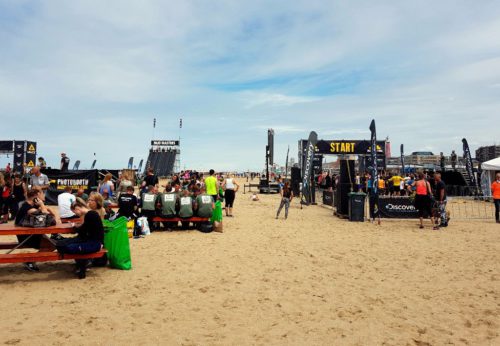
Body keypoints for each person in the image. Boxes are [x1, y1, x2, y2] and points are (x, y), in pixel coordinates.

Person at [57, 198, 104, 278]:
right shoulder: (90, 214)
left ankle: (82, 268)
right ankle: (81, 267)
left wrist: (76, 227)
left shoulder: (90, 215)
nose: (75, 214)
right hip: (92, 242)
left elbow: (83, 231)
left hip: (94, 244)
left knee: (65, 246)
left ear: (77, 208)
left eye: (74, 211)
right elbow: (85, 231)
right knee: (62, 244)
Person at [15, 189, 54, 271]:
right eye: (42, 194)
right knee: (51, 245)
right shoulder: (28, 208)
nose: (44, 195)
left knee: (52, 244)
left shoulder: (32, 206)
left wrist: (43, 207)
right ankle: (30, 261)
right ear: (36, 197)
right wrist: (42, 205)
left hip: (32, 233)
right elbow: (47, 217)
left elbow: (52, 219)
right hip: (26, 236)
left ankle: (31, 261)